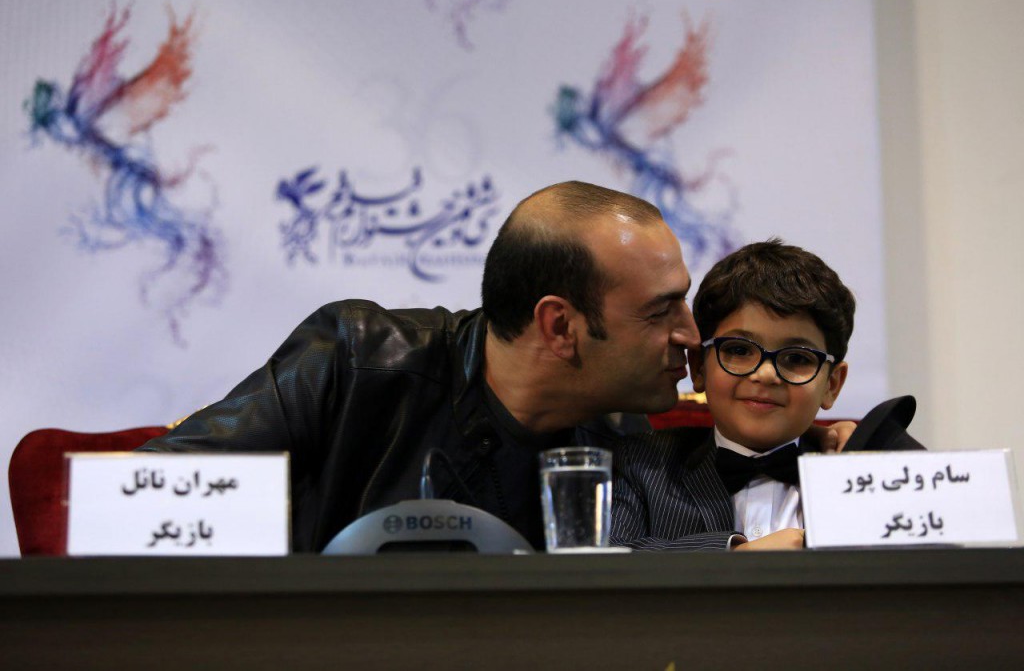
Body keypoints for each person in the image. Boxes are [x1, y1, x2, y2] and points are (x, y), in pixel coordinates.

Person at [142, 184, 851, 552]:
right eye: (661, 311)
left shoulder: (621, 443)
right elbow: (150, 498)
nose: (691, 337)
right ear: (561, 327)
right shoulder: (357, 359)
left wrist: (828, 451)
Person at [611, 239, 923, 551]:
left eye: (797, 358)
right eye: (738, 350)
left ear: (831, 385)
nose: (766, 374)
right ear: (699, 367)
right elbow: (608, 558)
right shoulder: (638, 464)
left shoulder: (864, 474)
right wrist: (735, 555)